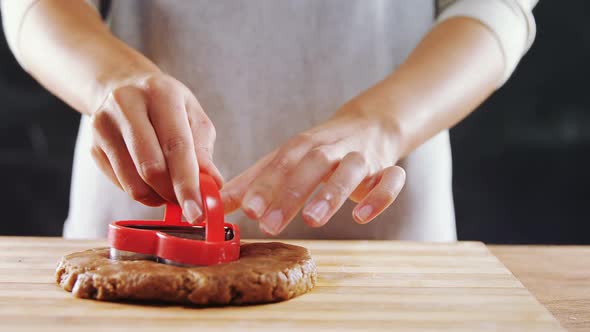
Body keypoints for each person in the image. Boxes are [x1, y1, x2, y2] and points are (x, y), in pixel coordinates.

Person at [1, 0, 538, 240]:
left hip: (383, 235)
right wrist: (109, 79)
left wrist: (382, 122)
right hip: (136, 221)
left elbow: (494, 8)